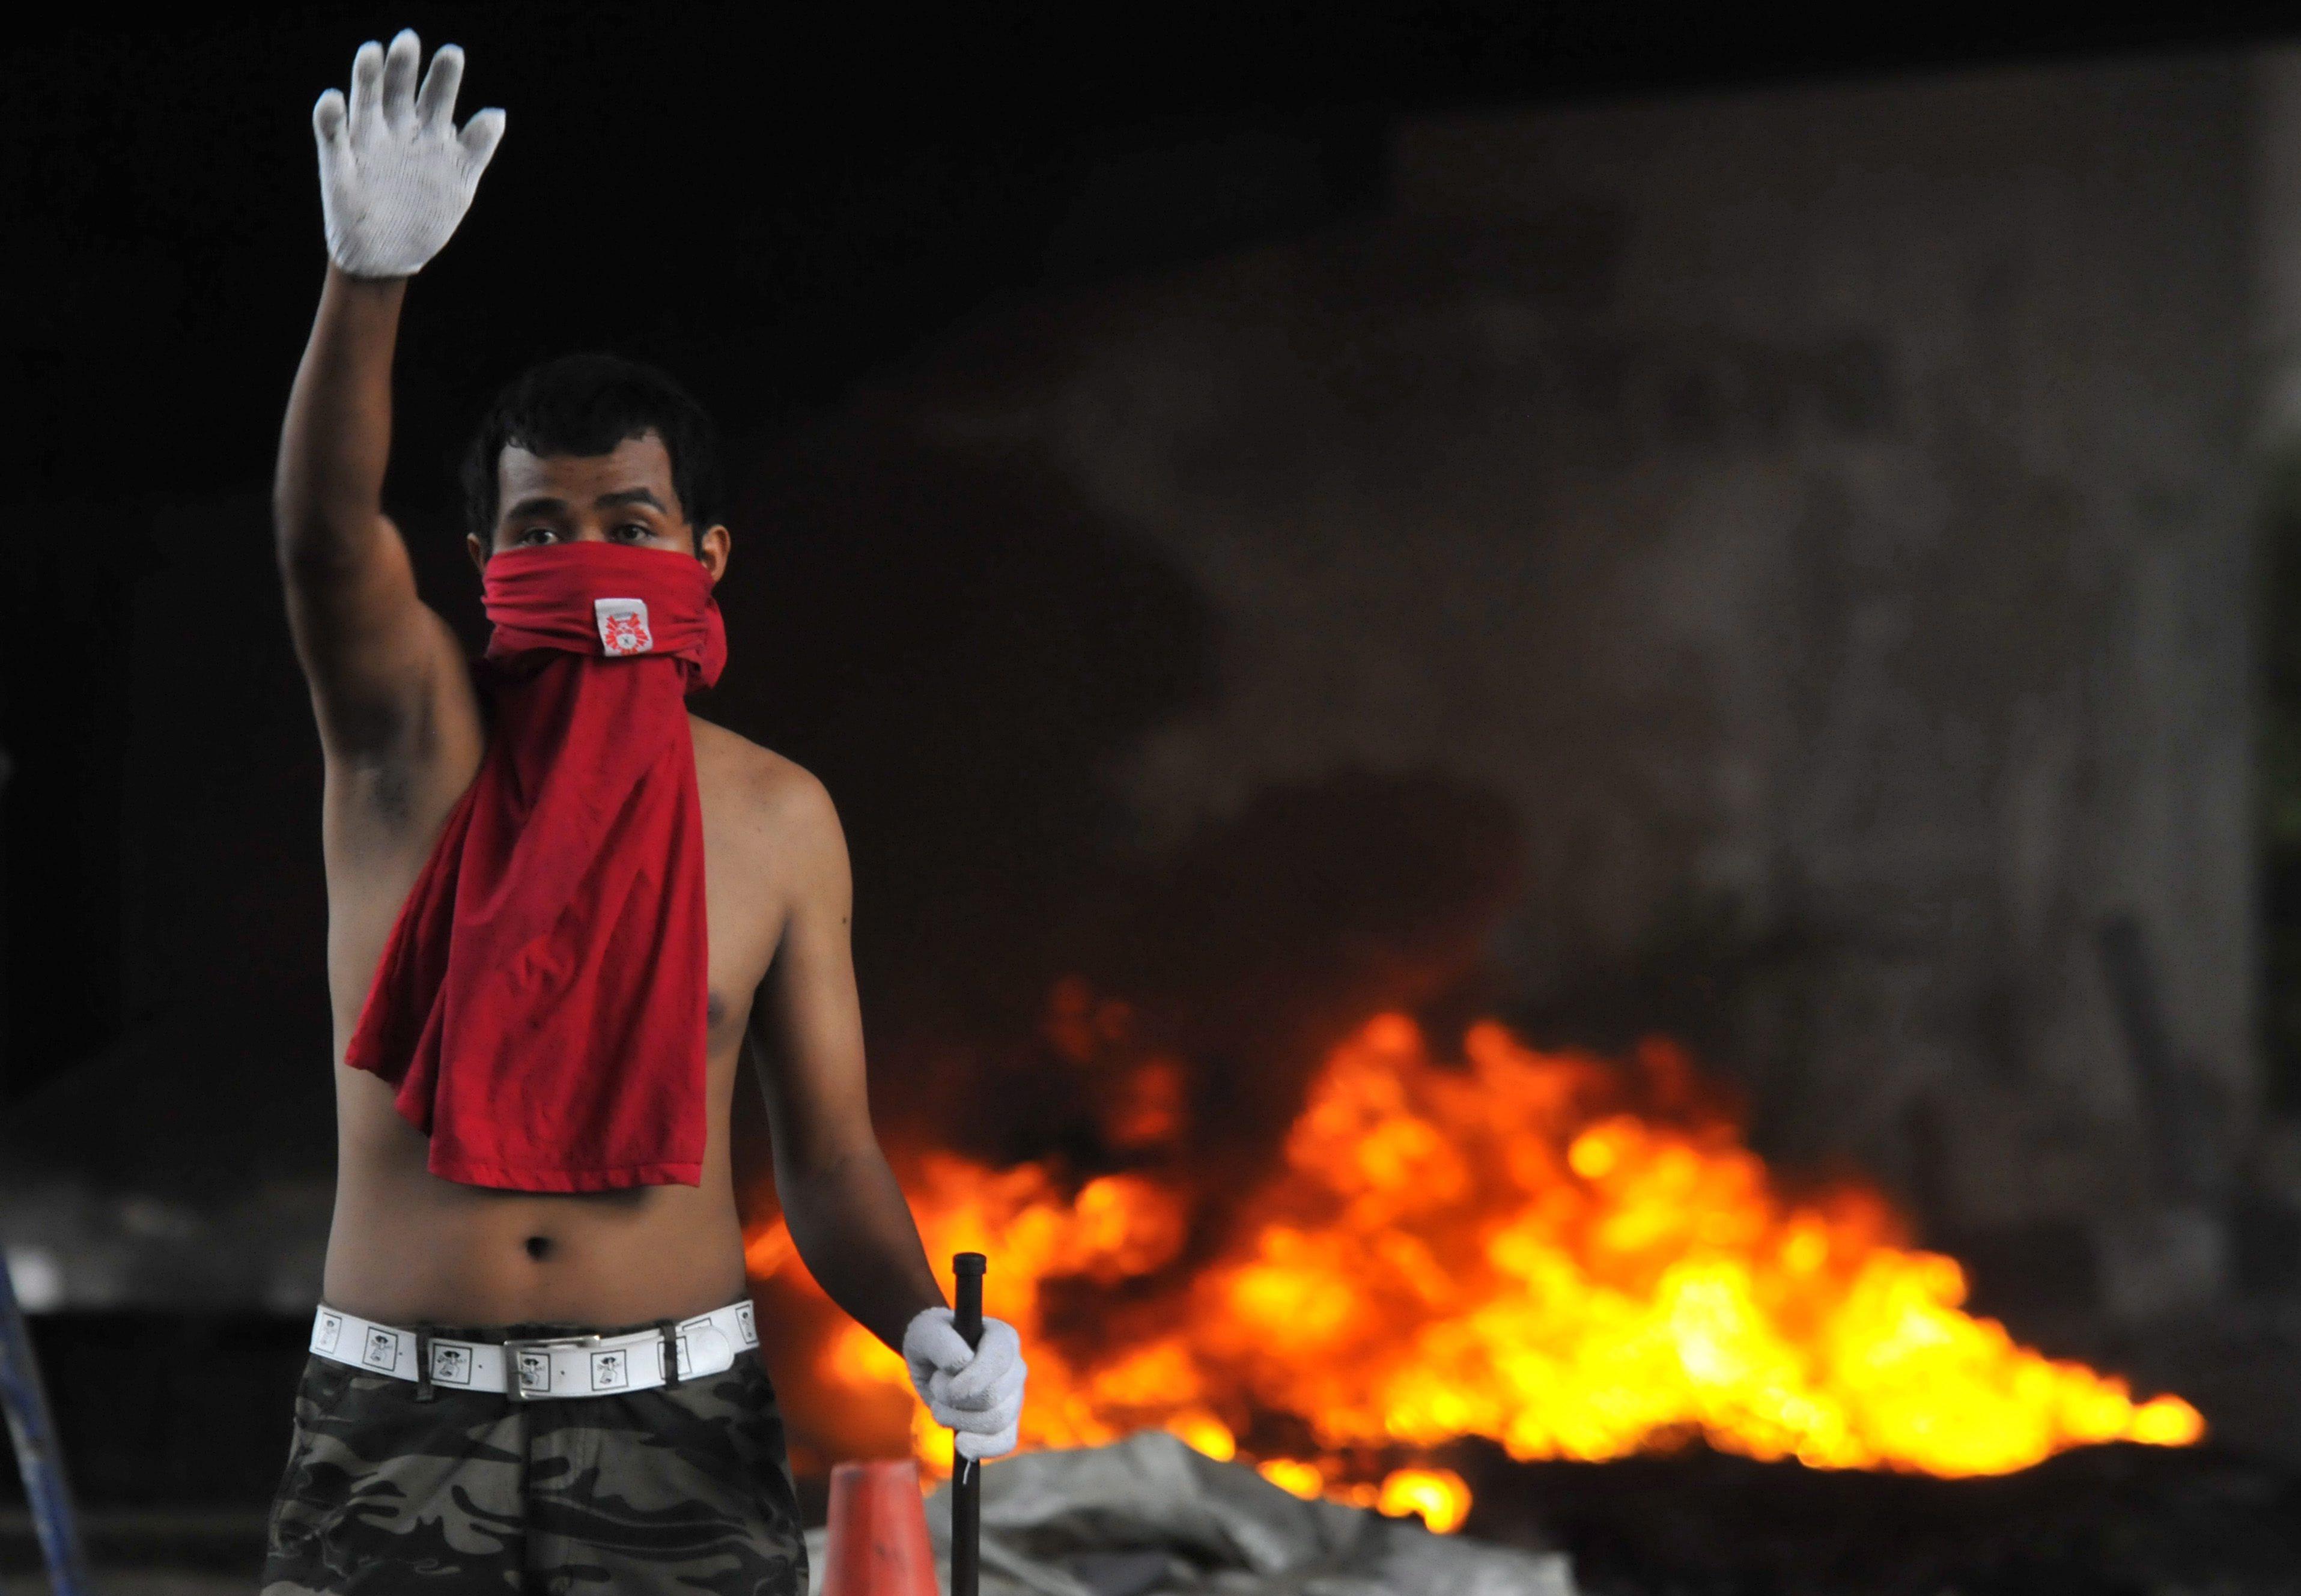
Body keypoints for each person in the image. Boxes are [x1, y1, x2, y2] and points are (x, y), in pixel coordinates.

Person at [261, 29, 1024, 1595]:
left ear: (708, 556)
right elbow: (327, 544)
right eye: (542, 528)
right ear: (483, 562)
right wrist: (368, 281)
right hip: (398, 1421)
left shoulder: (778, 816)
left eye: (631, 523)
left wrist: (928, 1325)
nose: (589, 555)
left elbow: (825, 1159)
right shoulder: (408, 746)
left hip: (674, 1426)